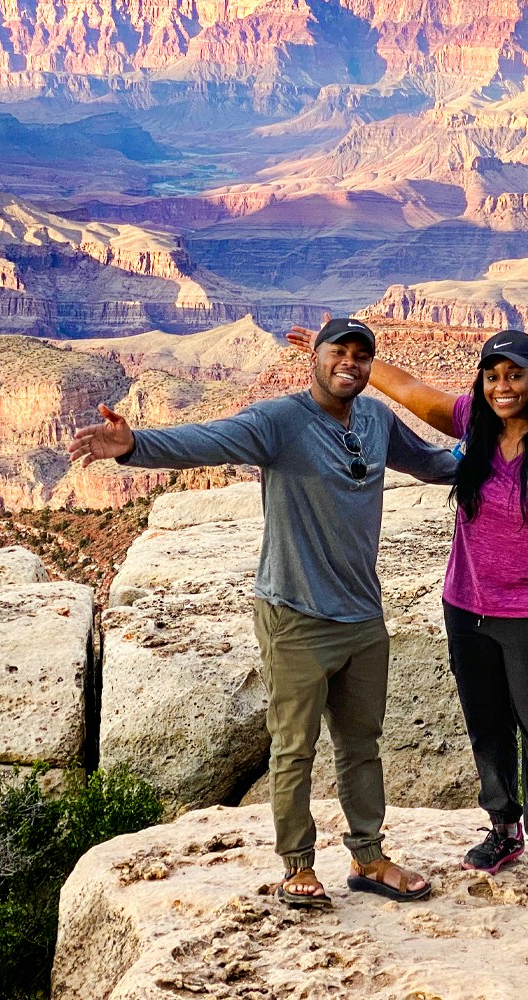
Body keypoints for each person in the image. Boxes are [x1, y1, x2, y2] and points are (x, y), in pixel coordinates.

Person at [68, 317, 455, 908]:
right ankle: (297, 864)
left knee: (361, 745)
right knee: (294, 746)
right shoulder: (280, 421)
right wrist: (135, 445)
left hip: (363, 616)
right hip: (295, 615)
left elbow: (430, 463)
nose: (348, 363)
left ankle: (369, 857)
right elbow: (210, 437)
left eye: (360, 354)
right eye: (337, 352)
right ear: (316, 358)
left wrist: (499, 449)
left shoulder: (376, 421)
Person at [287, 320, 528, 908]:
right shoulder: (473, 426)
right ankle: (503, 827)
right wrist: (339, 358)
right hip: (466, 606)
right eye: (492, 375)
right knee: (486, 725)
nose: (502, 386)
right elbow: (414, 393)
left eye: (515, 375)